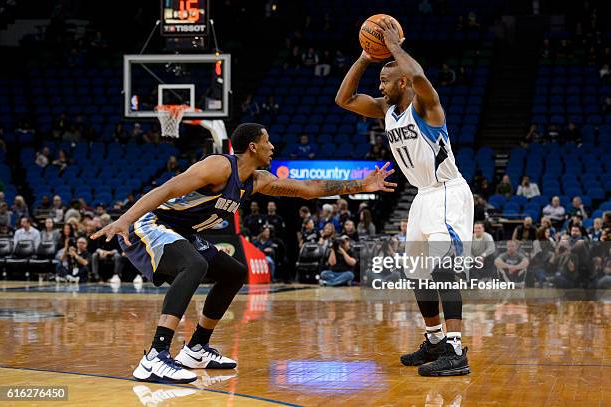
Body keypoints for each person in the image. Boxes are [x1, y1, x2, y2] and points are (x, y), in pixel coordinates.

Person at [91, 123, 396, 384]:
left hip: (184, 232)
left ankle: (196, 348)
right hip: (150, 223)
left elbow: (310, 189)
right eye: (268, 141)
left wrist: (361, 184)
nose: (273, 147)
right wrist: (124, 219)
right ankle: (155, 355)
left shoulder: (258, 180)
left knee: (234, 272)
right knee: (194, 265)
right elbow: (166, 189)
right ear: (253, 146)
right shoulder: (219, 166)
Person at [335, 17, 473, 376]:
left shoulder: (426, 106)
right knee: (416, 272)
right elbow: (344, 98)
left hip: (447, 193)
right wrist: (366, 57)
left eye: (384, 81)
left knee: (443, 271)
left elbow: (421, 79)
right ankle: (435, 340)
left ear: (401, 82)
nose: (379, 87)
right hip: (422, 196)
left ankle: (457, 351)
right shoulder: (386, 111)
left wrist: (394, 46)